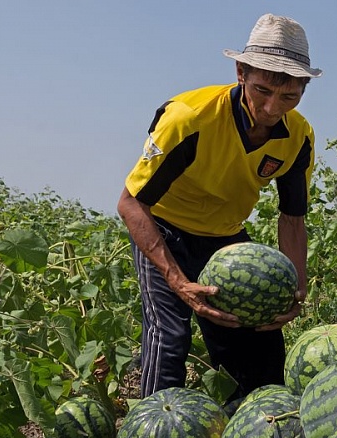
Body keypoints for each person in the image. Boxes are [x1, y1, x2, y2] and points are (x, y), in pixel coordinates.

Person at [117, 14, 321, 401]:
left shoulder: (298, 136)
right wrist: (177, 281)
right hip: (165, 228)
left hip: (227, 238)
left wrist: (296, 288)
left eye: (289, 96)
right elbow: (131, 204)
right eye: (262, 90)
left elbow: (292, 218)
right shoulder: (189, 118)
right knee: (170, 334)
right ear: (241, 72)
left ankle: (259, 431)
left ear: (303, 89)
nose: (271, 107)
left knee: (256, 339)